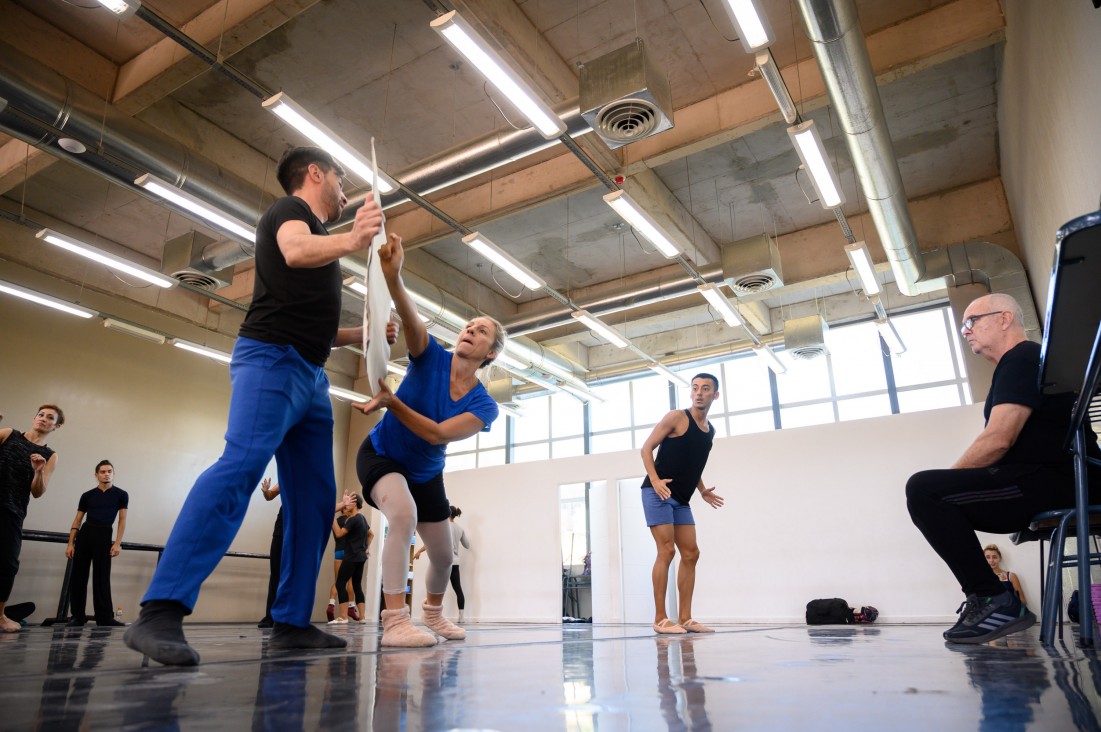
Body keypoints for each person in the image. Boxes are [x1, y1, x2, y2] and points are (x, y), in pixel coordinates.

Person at [124, 146, 386, 666]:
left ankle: (291, 622)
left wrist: (362, 333)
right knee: (241, 466)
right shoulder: (291, 214)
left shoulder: (317, 235)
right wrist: (355, 238)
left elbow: (307, 317)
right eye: (339, 179)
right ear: (315, 174)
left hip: (310, 376)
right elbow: (292, 251)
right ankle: (160, 610)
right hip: (270, 360)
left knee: (313, 499)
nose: (343, 190)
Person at [906, 292, 1101, 644]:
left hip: (1056, 480)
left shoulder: (1023, 357)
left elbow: (998, 439)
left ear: (1005, 318)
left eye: (972, 321)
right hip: (1045, 479)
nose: (965, 331)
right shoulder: (1018, 365)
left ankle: (993, 599)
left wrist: (948, 485)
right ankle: (991, 599)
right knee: (932, 492)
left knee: (924, 490)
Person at [352, 233, 504, 647]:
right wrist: (394, 276)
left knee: (441, 554)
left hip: (426, 471)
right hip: (383, 455)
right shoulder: (429, 356)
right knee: (401, 516)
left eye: (482, 331)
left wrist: (391, 402)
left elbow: (437, 434)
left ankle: (433, 615)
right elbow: (410, 317)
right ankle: (395, 621)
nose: (470, 330)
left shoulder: (484, 405)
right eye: (469, 325)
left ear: (490, 353)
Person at [640, 375, 725, 635]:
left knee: (691, 553)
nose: (699, 393)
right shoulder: (676, 417)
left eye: (705, 389)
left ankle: (686, 618)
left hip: (682, 499)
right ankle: (660, 619)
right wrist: (654, 481)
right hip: (659, 492)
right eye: (695, 388)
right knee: (666, 551)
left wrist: (701, 490)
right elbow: (646, 449)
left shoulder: (710, 431)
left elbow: (691, 463)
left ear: (715, 395)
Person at [0, 404, 63, 633]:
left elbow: (37, 492)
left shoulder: (50, 455)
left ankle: (0, 616)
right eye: (40, 414)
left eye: (49, 417)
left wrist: (38, 471)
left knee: (7, 564)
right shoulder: (8, 434)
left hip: (13, 510)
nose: (43, 419)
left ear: (56, 426)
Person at [66, 460, 129, 627]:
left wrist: (117, 543)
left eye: (109, 471)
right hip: (86, 534)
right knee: (78, 575)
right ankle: (78, 616)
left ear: (113, 473)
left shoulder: (121, 494)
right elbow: (78, 520)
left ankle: (105, 618)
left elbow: (122, 520)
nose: (106, 474)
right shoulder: (87, 496)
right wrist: (70, 543)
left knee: (102, 576)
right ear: (96, 475)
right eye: (102, 471)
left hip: (104, 533)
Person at [414, 505, 470, 623]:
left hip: (444, 562)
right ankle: (461, 618)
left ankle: (434, 616)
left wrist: (419, 551)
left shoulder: (444, 527)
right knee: (458, 589)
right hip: (455, 563)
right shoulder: (459, 529)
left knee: (436, 590)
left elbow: (432, 542)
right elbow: (467, 545)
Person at [327, 493, 372, 624]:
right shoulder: (362, 518)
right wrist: (366, 548)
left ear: (354, 504)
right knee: (357, 585)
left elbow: (339, 534)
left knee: (340, 583)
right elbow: (371, 535)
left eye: (349, 501)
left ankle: (343, 616)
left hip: (351, 556)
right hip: (361, 557)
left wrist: (331, 517)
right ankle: (362, 617)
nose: (347, 503)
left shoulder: (354, 519)